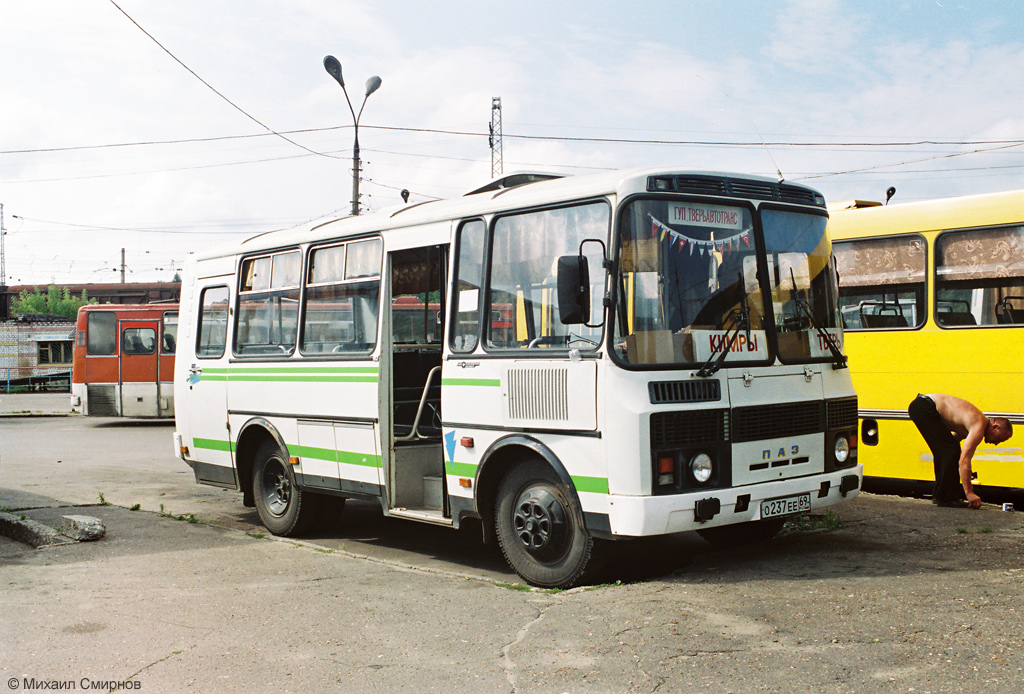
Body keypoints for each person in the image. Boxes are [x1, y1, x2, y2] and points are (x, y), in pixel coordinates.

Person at [908, 394, 1013, 508]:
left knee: (949, 450)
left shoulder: (974, 422)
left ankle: (941, 495)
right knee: (950, 450)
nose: (996, 443)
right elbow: (964, 461)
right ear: (996, 427)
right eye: (999, 439)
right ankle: (945, 497)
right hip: (925, 407)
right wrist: (970, 493)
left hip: (922, 405)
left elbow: (952, 443)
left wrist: (948, 461)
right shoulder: (978, 426)